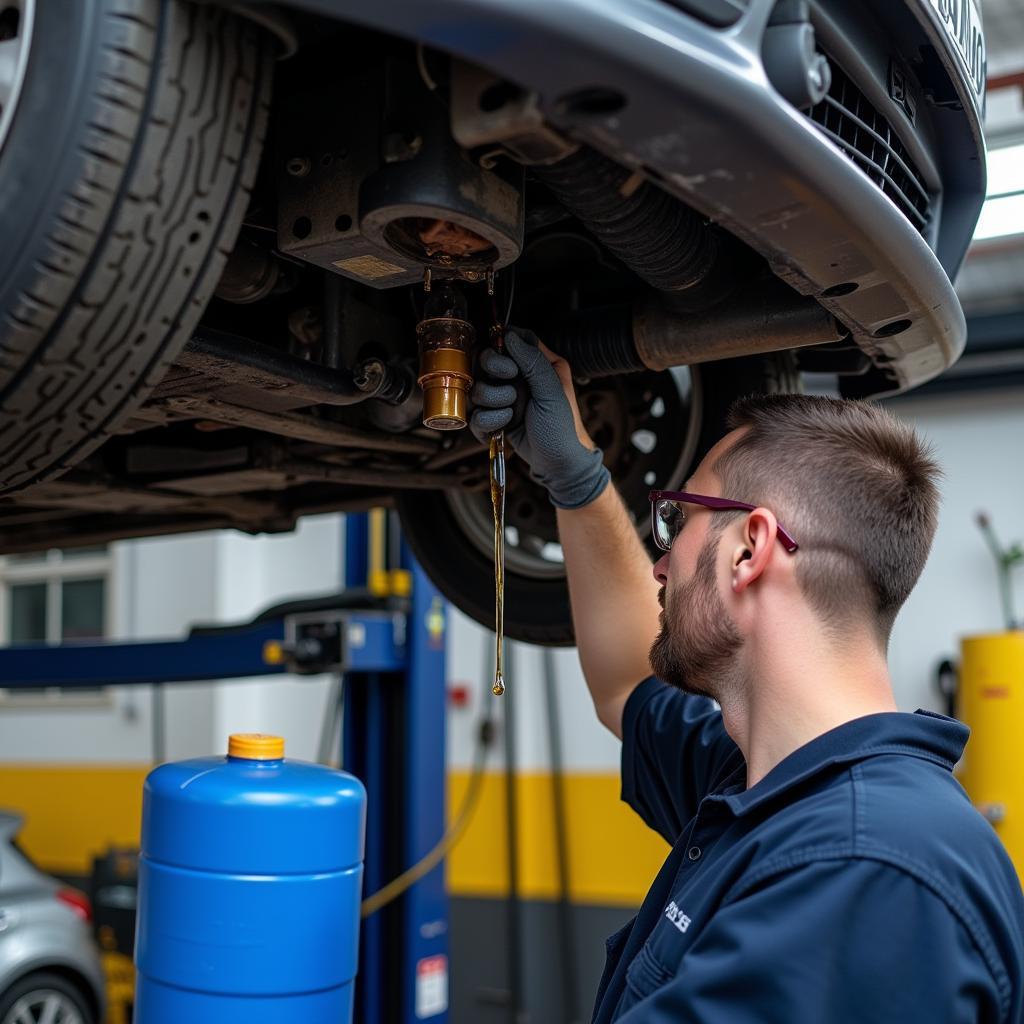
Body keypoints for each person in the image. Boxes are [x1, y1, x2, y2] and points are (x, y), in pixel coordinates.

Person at [470, 328, 1024, 1024]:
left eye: (677, 520)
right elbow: (623, 684)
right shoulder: (764, 785)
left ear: (749, 550)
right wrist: (576, 477)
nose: (658, 565)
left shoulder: (862, 870)